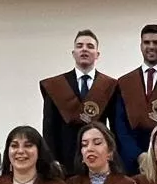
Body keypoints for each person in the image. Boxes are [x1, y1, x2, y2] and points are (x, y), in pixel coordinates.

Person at [112, 24, 157, 172]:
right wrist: (138, 155)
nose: (151, 46)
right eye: (147, 42)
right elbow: (119, 125)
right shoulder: (124, 82)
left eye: (156, 43)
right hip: (132, 162)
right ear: (141, 46)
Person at [41, 29, 116, 168]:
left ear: (97, 54)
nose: (84, 49)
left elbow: (114, 127)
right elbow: (49, 129)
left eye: (90, 46)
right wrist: (52, 161)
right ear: (73, 53)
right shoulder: (56, 86)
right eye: (79, 46)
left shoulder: (109, 85)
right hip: (64, 161)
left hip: (98, 159)